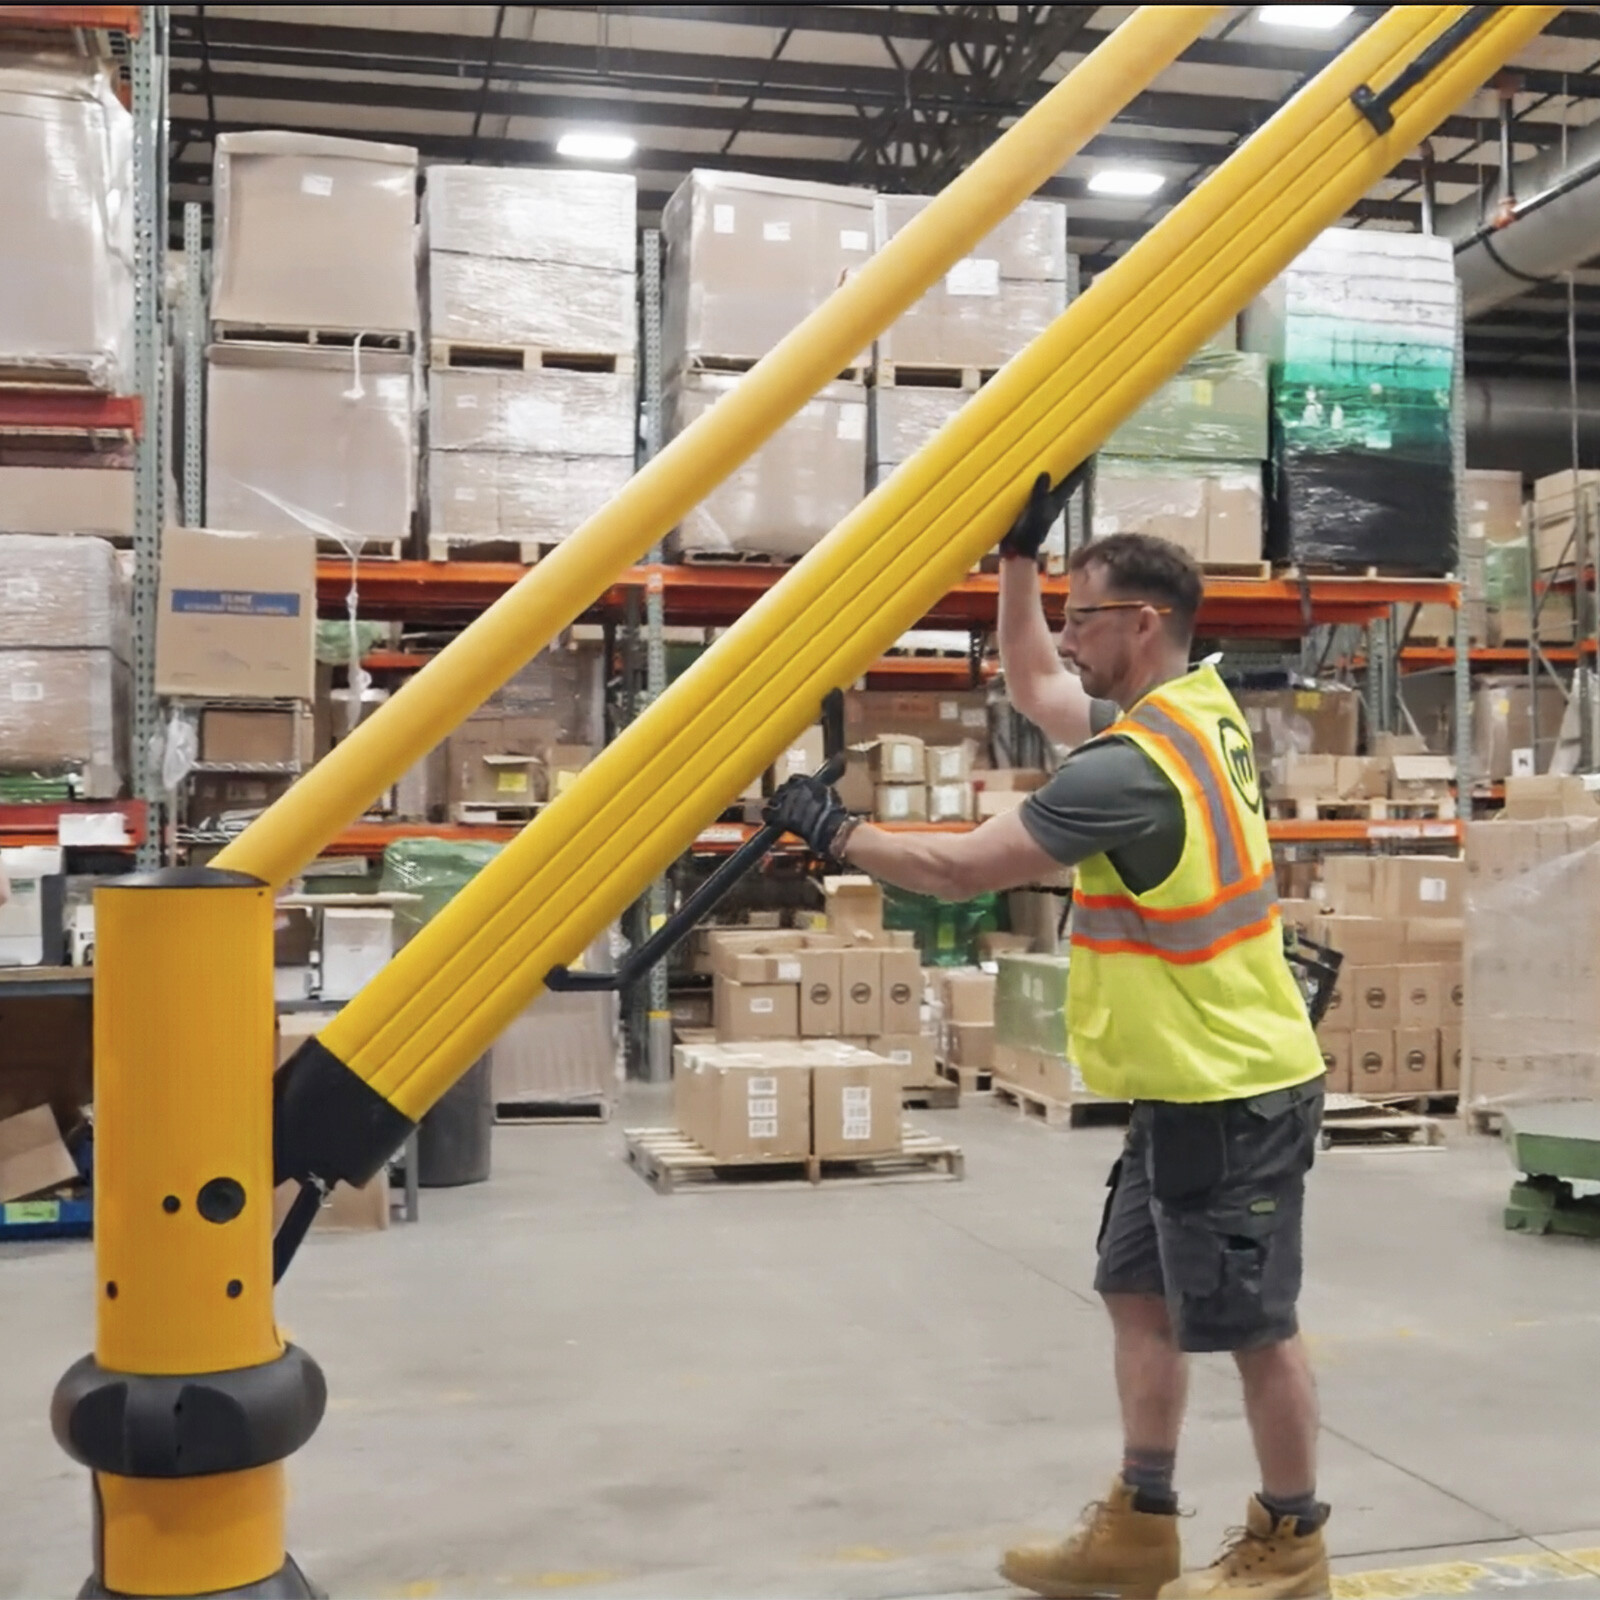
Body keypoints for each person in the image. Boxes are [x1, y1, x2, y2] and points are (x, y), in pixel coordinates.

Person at [765, 476, 1330, 1600]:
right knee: (1138, 1293)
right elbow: (1028, 678)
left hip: (1234, 1084)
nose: (1066, 637)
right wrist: (1016, 560)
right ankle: (1140, 1519)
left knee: (1253, 1325)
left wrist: (834, 827)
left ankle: (1291, 1543)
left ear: (1146, 624)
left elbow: (960, 868)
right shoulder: (1182, 713)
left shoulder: (1129, 766)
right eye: (1065, 611)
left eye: (1086, 615)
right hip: (1180, 1082)